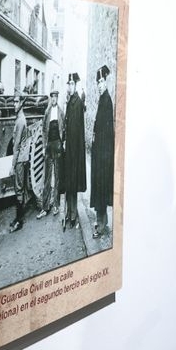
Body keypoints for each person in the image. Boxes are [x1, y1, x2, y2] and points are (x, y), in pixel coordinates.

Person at [90, 64, 114, 237]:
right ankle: (100, 220)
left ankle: (101, 225)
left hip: (103, 156)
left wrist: (104, 156)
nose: (99, 85)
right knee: (98, 189)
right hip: (99, 154)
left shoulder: (107, 101)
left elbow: (108, 133)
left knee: (101, 189)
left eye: (101, 81)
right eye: (97, 82)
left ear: (105, 82)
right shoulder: (101, 99)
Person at [60, 71, 86, 230]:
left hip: (74, 152)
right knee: (69, 185)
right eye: (68, 84)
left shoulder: (76, 103)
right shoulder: (70, 101)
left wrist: (72, 149)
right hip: (68, 150)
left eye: (71, 84)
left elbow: (76, 131)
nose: (68, 86)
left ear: (75, 85)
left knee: (73, 185)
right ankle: (69, 214)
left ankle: (73, 216)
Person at [9, 94, 38, 231]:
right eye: (13, 102)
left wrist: (12, 165)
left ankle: (19, 222)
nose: (14, 105)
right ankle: (17, 218)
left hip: (20, 159)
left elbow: (17, 145)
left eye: (16, 102)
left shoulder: (20, 121)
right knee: (19, 188)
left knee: (19, 189)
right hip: (22, 157)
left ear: (21, 103)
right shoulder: (19, 118)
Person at [37, 88, 63, 219]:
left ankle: (56, 205)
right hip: (48, 147)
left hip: (57, 146)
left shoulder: (60, 112)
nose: (53, 99)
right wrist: (43, 147)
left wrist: (62, 143)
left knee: (57, 176)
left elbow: (64, 129)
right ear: (50, 98)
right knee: (47, 177)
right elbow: (43, 130)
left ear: (57, 98)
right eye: (52, 97)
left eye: (55, 97)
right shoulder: (47, 112)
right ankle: (45, 207)